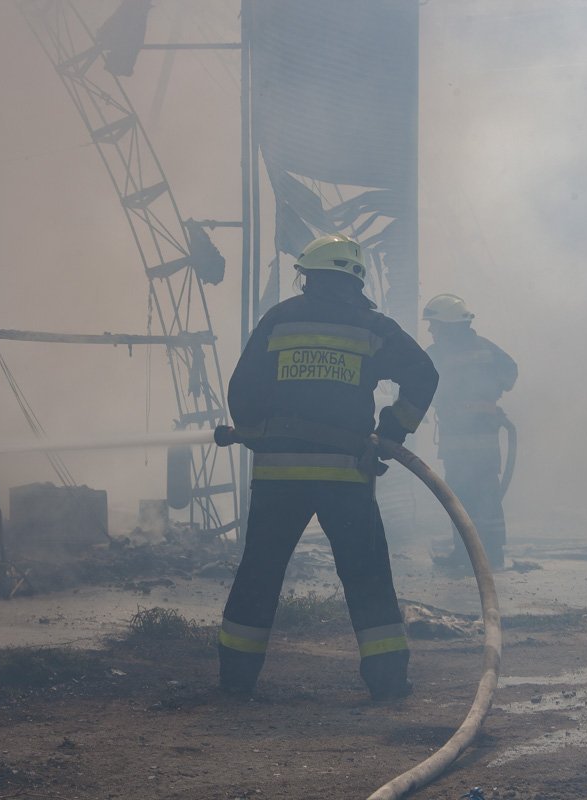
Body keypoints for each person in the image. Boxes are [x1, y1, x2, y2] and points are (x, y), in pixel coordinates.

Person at [218, 233, 438, 701]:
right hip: (345, 477)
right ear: (356, 279)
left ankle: (235, 683)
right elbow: (424, 373)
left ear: (310, 276)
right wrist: (391, 430)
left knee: (259, 573)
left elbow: (242, 387)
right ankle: (387, 683)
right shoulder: (373, 326)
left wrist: (254, 429)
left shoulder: (278, 320)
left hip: (279, 476)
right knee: (366, 574)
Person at [422, 293, 518, 569]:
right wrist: (492, 393)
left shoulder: (437, 353)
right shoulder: (485, 347)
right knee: (487, 493)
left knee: (460, 496)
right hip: (485, 440)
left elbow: (419, 383)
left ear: (448, 324)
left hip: (458, 441)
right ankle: (493, 554)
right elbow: (510, 371)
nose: (431, 330)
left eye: (434, 325)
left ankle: (465, 556)